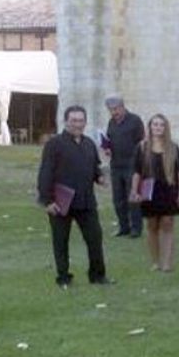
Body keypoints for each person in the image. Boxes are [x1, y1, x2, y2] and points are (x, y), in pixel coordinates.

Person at [37, 105, 108, 287]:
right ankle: (63, 278)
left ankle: (97, 276)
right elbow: (46, 173)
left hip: (86, 201)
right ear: (66, 121)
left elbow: (94, 167)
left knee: (95, 238)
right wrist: (47, 200)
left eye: (81, 120)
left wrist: (99, 177)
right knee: (61, 241)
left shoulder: (89, 143)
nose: (78, 124)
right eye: (74, 120)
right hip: (61, 201)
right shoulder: (55, 144)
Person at [128, 113, 179, 272]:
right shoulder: (142, 147)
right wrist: (134, 191)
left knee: (167, 223)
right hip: (148, 190)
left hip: (168, 190)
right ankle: (155, 261)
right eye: (155, 124)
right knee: (152, 225)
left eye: (161, 125)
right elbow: (137, 172)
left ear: (165, 128)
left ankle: (167, 263)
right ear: (150, 127)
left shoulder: (173, 148)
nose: (158, 127)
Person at [104, 95, 144, 238]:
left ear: (122, 106)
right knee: (118, 198)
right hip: (115, 165)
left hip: (132, 166)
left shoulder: (135, 121)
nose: (114, 112)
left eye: (116, 109)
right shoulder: (111, 123)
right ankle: (123, 227)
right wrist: (107, 148)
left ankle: (136, 228)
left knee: (132, 197)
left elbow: (142, 143)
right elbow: (108, 139)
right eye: (111, 110)